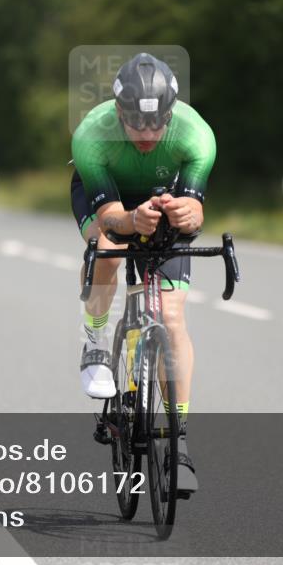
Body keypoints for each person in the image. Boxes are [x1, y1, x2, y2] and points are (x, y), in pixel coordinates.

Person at [70, 52, 216, 494]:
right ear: (119, 112)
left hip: (161, 198)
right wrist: (131, 221)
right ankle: (95, 338)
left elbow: (195, 210)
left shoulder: (197, 137)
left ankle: (179, 439)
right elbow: (111, 215)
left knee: (172, 320)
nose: (149, 134)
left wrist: (189, 214)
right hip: (109, 200)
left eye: (157, 124)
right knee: (108, 249)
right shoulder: (92, 136)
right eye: (137, 124)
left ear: (171, 114)